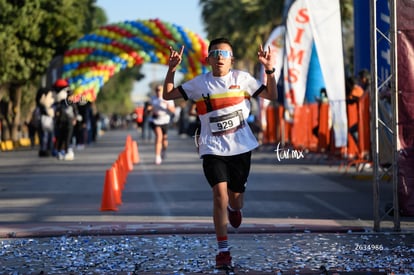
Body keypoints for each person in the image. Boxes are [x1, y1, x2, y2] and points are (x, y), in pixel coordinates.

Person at [163, 37, 278, 269]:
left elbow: (271, 95)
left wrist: (269, 69)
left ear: (231, 60)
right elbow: (167, 95)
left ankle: (234, 210)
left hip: (241, 148)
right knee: (219, 195)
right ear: (208, 59)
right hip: (211, 148)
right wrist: (171, 70)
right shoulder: (198, 84)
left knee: (235, 200)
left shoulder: (242, 79)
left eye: (224, 54)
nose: (219, 58)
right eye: (214, 54)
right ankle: (223, 250)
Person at [148, 85, 175, 165]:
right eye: (156, 90)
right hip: (155, 120)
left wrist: (167, 105)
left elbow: (173, 110)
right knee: (159, 136)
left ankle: (164, 150)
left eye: (159, 90)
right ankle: (157, 156)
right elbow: (148, 109)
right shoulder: (153, 99)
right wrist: (149, 109)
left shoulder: (168, 98)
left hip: (165, 120)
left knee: (164, 139)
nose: (158, 91)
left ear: (163, 90)